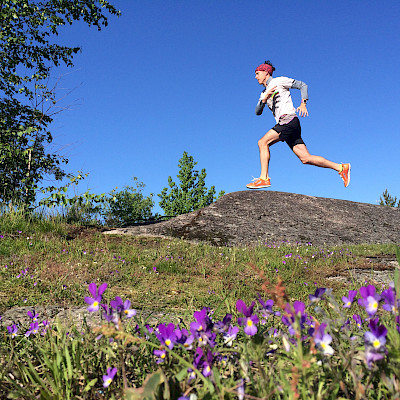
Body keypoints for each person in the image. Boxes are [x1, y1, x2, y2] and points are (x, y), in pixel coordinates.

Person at [246, 60, 350, 189]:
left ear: (266, 72)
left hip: (288, 120)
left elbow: (302, 85)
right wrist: (264, 98)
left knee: (262, 142)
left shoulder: (279, 81)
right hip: (287, 124)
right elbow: (257, 112)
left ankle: (264, 178)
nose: (256, 77)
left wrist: (303, 103)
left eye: (257, 73)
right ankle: (340, 167)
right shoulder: (263, 93)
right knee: (305, 158)